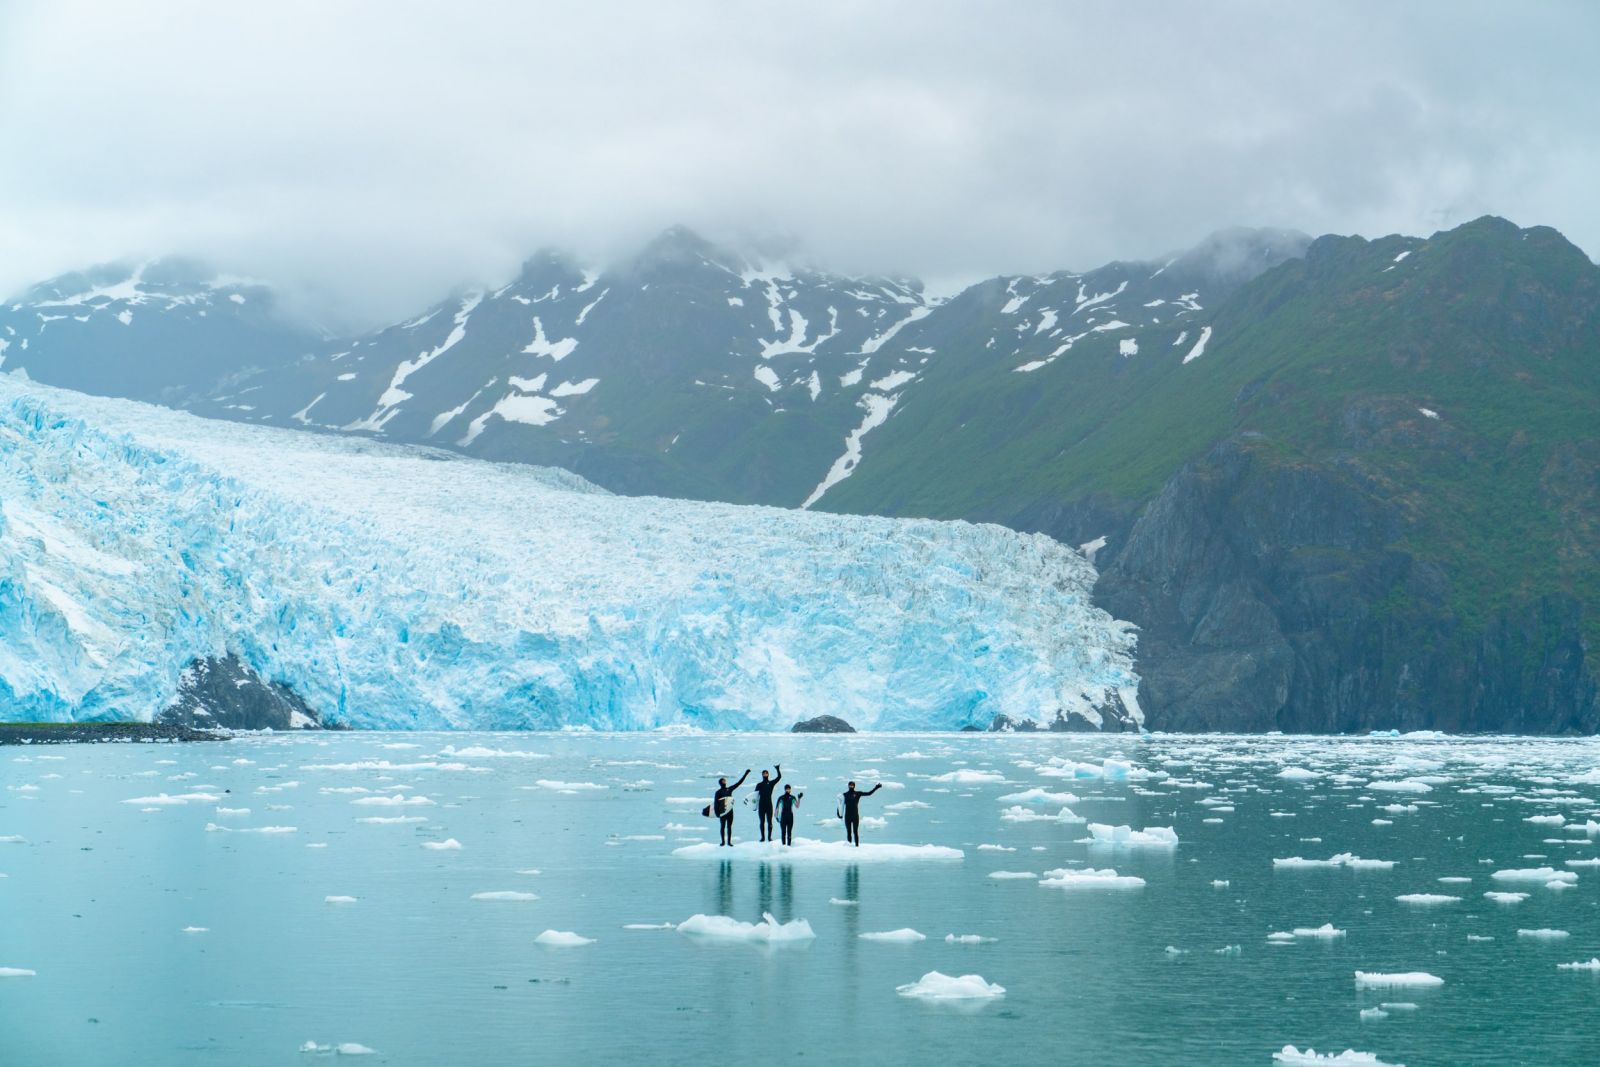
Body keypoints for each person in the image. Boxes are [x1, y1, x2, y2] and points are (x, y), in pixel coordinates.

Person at [712, 769, 750, 846]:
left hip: (729, 810)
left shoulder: (729, 789)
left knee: (729, 826)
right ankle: (723, 842)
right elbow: (716, 803)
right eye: (723, 781)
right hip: (722, 810)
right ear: (720, 783)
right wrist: (717, 813)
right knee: (722, 826)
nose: (725, 781)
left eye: (725, 780)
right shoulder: (718, 792)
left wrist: (746, 774)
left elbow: (739, 783)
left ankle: (729, 842)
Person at [840, 780, 882, 847]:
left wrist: (876, 787)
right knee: (848, 832)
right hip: (847, 816)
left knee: (855, 832)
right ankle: (849, 847)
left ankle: (857, 846)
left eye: (852, 785)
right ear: (848, 786)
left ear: (854, 786)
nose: (851, 786)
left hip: (855, 816)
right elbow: (840, 805)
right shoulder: (844, 795)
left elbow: (869, 793)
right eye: (850, 785)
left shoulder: (858, 793)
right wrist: (839, 814)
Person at [751, 765, 782, 842]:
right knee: (762, 822)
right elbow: (755, 796)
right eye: (764, 773)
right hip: (761, 805)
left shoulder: (771, 783)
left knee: (770, 822)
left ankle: (769, 837)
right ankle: (762, 838)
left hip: (769, 805)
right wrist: (754, 806)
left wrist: (778, 769)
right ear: (762, 775)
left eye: (766, 773)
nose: (765, 774)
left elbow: (779, 777)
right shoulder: (759, 785)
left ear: (768, 774)